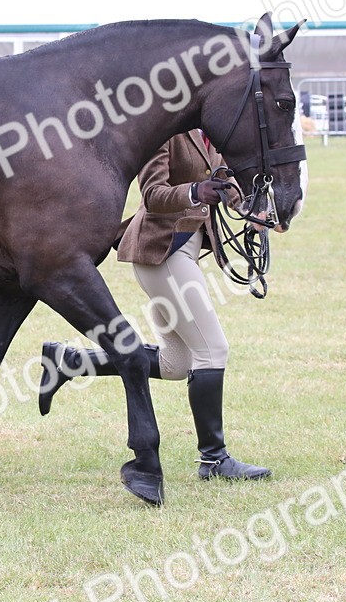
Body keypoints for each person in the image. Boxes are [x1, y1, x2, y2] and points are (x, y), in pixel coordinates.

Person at [39, 130, 271, 481]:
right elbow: (152, 194)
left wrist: (249, 209)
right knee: (213, 349)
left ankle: (70, 361)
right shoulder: (166, 131)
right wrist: (195, 191)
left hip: (185, 252)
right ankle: (214, 459)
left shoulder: (213, 132)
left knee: (176, 364)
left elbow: (223, 179)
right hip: (163, 252)